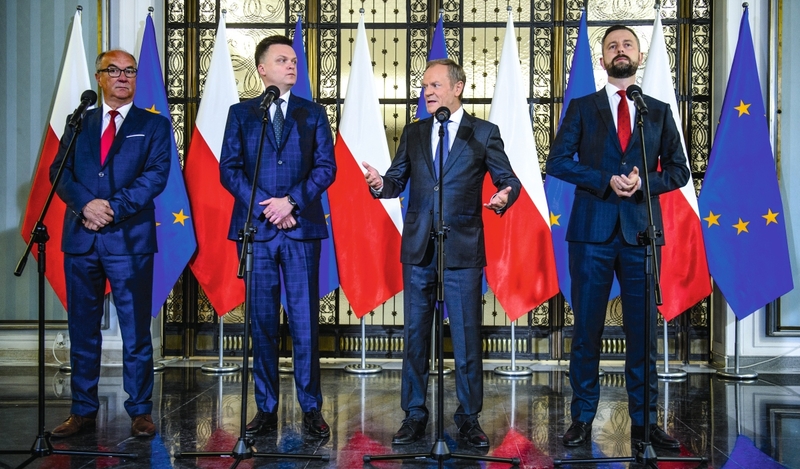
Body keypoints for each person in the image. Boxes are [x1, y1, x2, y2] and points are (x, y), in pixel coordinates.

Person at [362, 58, 521, 449]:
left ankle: (468, 418)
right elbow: (396, 180)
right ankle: (415, 415)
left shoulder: (483, 133)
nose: (427, 92)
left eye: (434, 85)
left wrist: (505, 196)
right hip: (419, 249)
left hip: (462, 248)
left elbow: (508, 179)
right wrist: (379, 183)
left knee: (466, 338)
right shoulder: (415, 132)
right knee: (416, 337)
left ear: (457, 87)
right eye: (424, 86)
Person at [546, 25, 690, 449]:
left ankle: (646, 423)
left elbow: (679, 171)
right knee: (587, 331)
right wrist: (604, 179)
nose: (620, 50)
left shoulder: (657, 110)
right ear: (603, 59)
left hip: (640, 233)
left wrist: (644, 183)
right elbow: (557, 161)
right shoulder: (583, 107)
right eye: (612, 46)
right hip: (591, 233)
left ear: (638, 56)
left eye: (627, 44)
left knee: (642, 334)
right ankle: (581, 418)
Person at [49, 50, 171, 438]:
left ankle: (140, 411)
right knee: (83, 330)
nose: (122, 77)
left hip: (129, 241)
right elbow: (59, 171)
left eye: (129, 71)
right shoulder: (79, 122)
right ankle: (83, 410)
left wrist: (111, 209)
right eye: (113, 70)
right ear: (99, 77)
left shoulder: (153, 124)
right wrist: (85, 205)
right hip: (81, 239)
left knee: (136, 332)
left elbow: (156, 176)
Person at [219, 35, 336, 438]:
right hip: (258, 232)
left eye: (294, 61)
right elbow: (229, 169)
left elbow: (326, 167)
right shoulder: (241, 113)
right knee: (262, 324)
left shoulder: (312, 113)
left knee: (305, 324)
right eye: (282, 60)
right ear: (262, 68)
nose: (291, 66)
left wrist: (291, 203)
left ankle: (311, 408)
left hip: (301, 230)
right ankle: (266, 408)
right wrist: (266, 207)